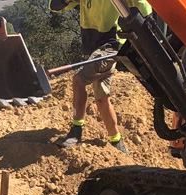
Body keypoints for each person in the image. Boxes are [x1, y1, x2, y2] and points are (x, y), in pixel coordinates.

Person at [50, 0, 154, 153]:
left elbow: (143, 5)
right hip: (94, 49)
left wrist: (148, 30)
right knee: (101, 97)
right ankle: (116, 140)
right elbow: (55, 7)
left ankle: (76, 131)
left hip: (109, 46)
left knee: (78, 80)